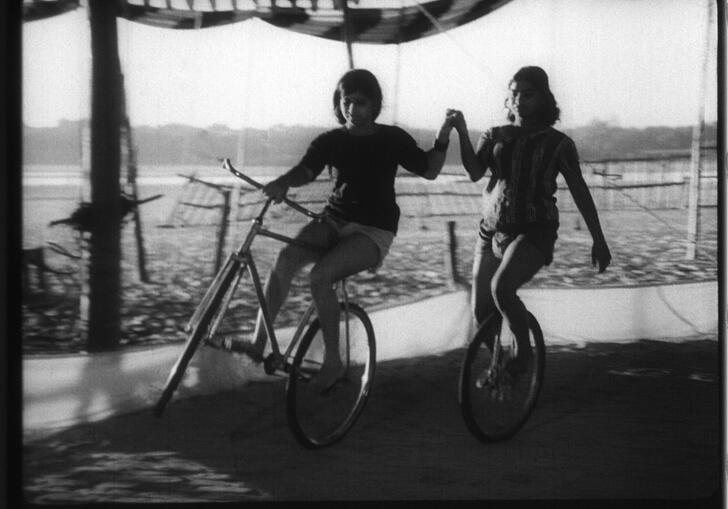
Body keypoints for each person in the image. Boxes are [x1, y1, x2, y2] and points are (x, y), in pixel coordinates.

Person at [232, 68, 454, 392]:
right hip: (334, 220)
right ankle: (257, 343)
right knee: (285, 260)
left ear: (375, 104)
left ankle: (333, 362)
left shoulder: (392, 138)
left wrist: (444, 134)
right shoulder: (330, 141)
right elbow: (306, 170)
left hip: (374, 229)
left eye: (360, 102)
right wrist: (283, 183)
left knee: (320, 276)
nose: (352, 109)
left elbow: (430, 169)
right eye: (346, 101)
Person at [446, 66, 611, 378]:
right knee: (481, 311)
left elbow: (579, 190)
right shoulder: (495, 135)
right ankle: (499, 362)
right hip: (491, 230)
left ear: (544, 99)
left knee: (503, 289)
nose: (519, 100)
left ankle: (523, 354)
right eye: (514, 93)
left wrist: (598, 240)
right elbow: (473, 172)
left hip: (535, 230)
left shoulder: (558, 143)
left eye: (528, 94)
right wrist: (461, 130)